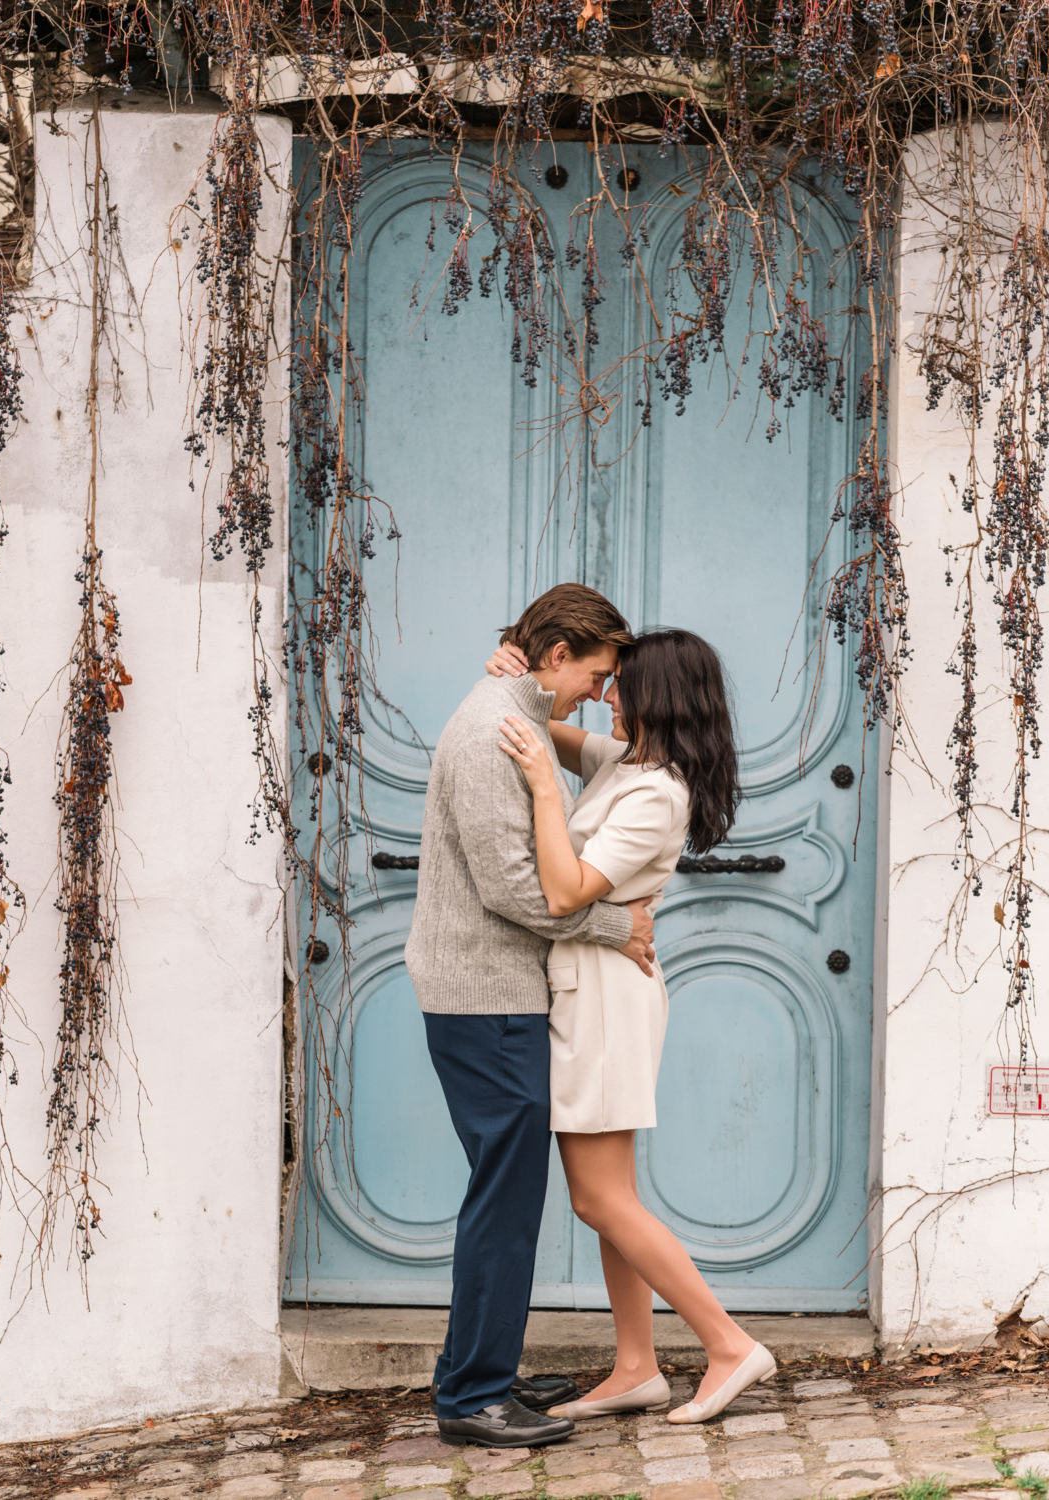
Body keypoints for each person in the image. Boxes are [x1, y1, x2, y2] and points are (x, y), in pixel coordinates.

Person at [487, 628, 776, 1424]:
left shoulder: (656, 793)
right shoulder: (628, 765)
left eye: (619, 685)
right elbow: (540, 723)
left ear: (657, 698)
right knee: (612, 1195)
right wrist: (508, 670)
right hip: (594, 990)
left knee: (600, 1199)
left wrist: (547, 793)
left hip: (606, 1000)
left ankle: (727, 1345)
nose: (604, 694)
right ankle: (637, 1366)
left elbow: (567, 890)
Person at [405, 584, 658, 1449]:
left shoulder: (508, 712)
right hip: (487, 998)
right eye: (595, 673)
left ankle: (481, 1373)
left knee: (507, 1194)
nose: (600, 690)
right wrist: (616, 924)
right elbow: (515, 887)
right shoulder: (488, 734)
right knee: (505, 1200)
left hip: (498, 995)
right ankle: (475, 1397)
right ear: (557, 656)